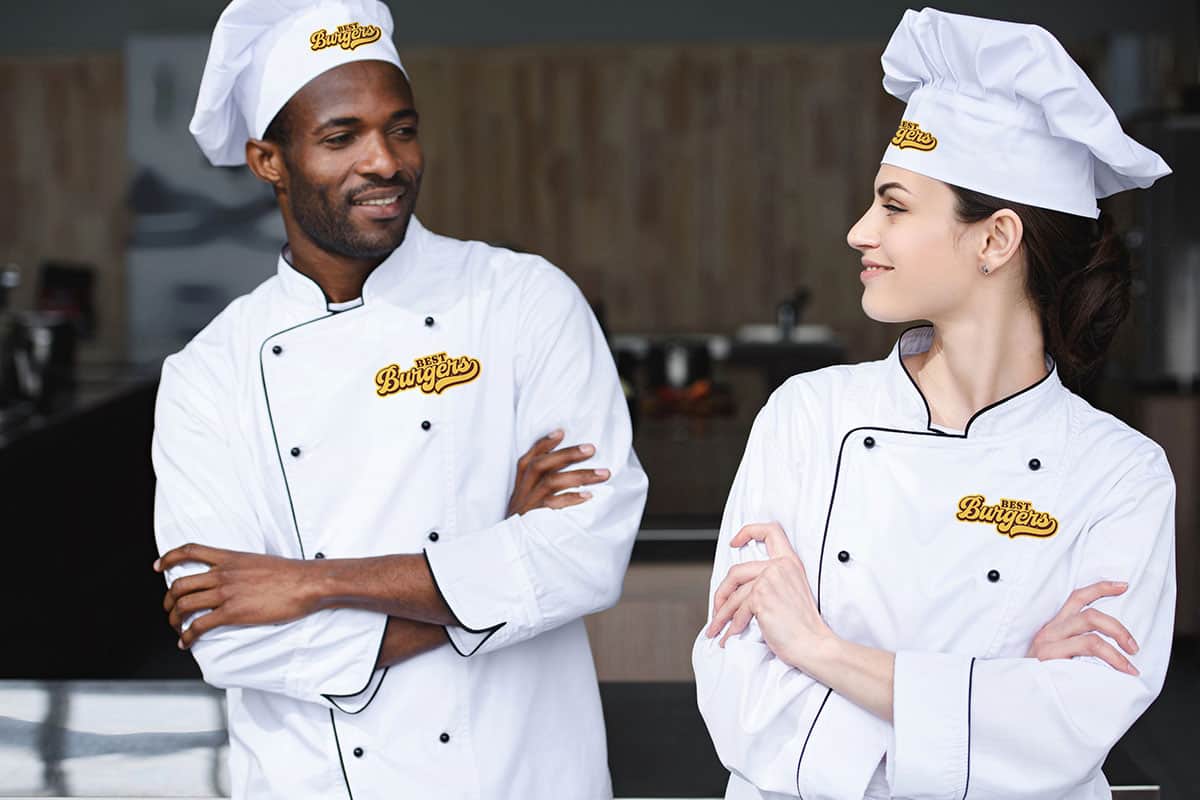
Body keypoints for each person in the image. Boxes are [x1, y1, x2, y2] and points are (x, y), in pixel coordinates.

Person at [151, 1, 648, 797]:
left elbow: (585, 557)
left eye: (402, 129)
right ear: (268, 161)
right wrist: (497, 564)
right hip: (312, 779)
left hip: (515, 771)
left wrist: (311, 582)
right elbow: (230, 643)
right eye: (341, 136)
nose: (384, 161)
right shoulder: (209, 373)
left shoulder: (521, 300)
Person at [692, 8, 1175, 799]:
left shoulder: (1120, 473)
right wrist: (999, 690)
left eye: (895, 206)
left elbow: (1077, 726)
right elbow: (741, 696)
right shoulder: (807, 416)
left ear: (994, 240)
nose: (858, 231)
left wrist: (817, 648)